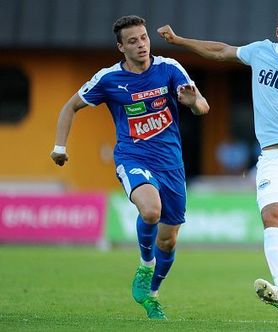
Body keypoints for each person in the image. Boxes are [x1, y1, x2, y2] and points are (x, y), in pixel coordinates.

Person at [158, 6, 278, 314]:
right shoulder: (260, 52)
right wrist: (180, 41)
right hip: (276, 158)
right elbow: (221, 51)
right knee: (272, 216)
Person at [50, 15, 209, 320]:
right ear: (120, 47)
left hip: (172, 164)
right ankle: (145, 265)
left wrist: (193, 102)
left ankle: (152, 294)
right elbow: (70, 106)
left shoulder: (169, 69)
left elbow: (202, 105)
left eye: (144, 38)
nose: (141, 45)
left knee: (169, 238)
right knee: (151, 210)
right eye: (133, 41)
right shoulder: (109, 79)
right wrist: (59, 148)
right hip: (133, 157)